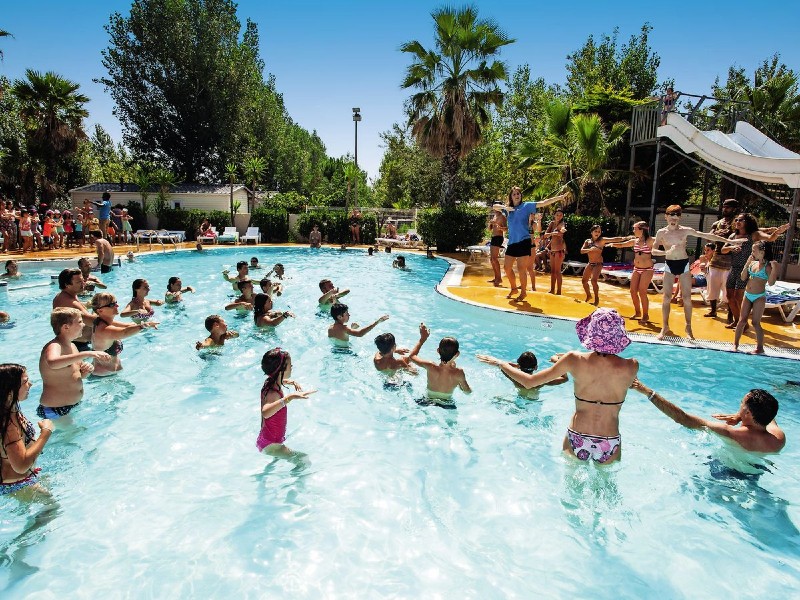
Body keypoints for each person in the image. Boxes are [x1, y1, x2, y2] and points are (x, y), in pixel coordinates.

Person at [478, 308, 638, 464]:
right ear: (618, 334)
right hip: (609, 439)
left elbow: (529, 381)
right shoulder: (631, 366)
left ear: (592, 332)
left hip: (578, 436)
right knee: (607, 487)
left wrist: (501, 364)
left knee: (572, 487)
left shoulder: (573, 359)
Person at [652, 205, 740, 340]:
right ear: (666, 217)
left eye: (676, 217)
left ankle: (688, 327)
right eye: (671, 217)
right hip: (669, 264)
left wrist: (729, 240)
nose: (673, 219)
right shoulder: (661, 233)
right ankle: (665, 327)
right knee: (666, 298)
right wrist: (665, 252)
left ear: (679, 218)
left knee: (687, 298)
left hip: (684, 264)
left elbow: (706, 235)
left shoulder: (685, 230)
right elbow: (653, 251)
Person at [630, 381, 785, 453]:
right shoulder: (778, 437)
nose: (739, 405)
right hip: (756, 473)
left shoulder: (731, 433)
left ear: (748, 413)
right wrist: (740, 416)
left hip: (725, 474)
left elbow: (682, 418)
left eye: (741, 403)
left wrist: (648, 392)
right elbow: (769, 414)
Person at [37, 308, 111, 419]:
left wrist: (87, 370)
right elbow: (52, 363)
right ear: (66, 327)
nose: (83, 325)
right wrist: (87, 353)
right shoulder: (54, 346)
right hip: (55, 409)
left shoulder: (72, 346)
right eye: (80, 322)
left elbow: (78, 375)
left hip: (71, 405)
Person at [722, 213, 790, 330]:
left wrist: (777, 232)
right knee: (729, 296)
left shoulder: (754, 234)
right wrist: (732, 247)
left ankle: (743, 323)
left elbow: (770, 238)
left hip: (746, 269)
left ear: (747, 222)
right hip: (733, 269)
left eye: (741, 220)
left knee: (739, 297)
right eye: (736, 219)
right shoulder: (733, 236)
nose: (737, 221)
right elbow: (723, 250)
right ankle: (737, 320)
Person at [1, 364, 53, 496]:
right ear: (10, 390)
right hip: (16, 484)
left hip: (22, 479)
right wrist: (45, 433)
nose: (30, 384)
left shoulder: (11, 409)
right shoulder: (8, 425)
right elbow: (21, 466)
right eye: (25, 382)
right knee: (52, 508)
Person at [256, 348, 316, 457]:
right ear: (281, 370)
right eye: (290, 365)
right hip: (272, 445)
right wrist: (289, 397)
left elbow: (277, 378)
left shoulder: (269, 382)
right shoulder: (273, 394)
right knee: (303, 459)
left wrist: (290, 382)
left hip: (266, 439)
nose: (292, 367)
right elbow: (265, 412)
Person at [91, 292, 158, 375]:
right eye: (112, 305)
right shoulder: (104, 330)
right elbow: (124, 332)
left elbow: (127, 325)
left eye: (116, 303)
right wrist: (144, 325)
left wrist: (144, 323)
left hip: (107, 373)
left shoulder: (102, 321)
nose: (117, 306)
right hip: (104, 377)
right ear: (100, 310)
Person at [407, 323, 471, 408]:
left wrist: (422, 339)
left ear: (438, 351)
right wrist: (459, 384)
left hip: (427, 401)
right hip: (447, 404)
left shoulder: (430, 366)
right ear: (457, 354)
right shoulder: (458, 373)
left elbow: (411, 357)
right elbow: (467, 392)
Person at [733, 241, 778, 354]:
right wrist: (747, 264)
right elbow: (743, 278)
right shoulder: (752, 264)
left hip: (759, 297)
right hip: (748, 295)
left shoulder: (767, 267)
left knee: (755, 323)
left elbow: (771, 283)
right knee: (741, 321)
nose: (752, 252)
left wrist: (775, 269)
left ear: (762, 252)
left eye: (754, 251)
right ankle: (735, 345)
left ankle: (759, 348)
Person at [607, 221, 656, 322]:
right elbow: (622, 245)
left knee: (642, 291)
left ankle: (645, 315)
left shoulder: (651, 240)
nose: (633, 230)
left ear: (641, 229)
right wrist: (612, 244)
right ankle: (638, 312)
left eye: (635, 228)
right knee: (633, 291)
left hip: (647, 269)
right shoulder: (635, 241)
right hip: (637, 269)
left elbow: (664, 240)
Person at [480, 350, 568, 400]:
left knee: (495, 399)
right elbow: (564, 378)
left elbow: (504, 366)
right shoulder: (541, 381)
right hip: (534, 404)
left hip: (519, 403)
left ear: (519, 366)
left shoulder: (514, 378)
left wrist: (515, 366)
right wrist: (558, 362)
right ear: (536, 367)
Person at [704, 199, 740, 318]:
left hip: (731, 260)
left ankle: (731, 314)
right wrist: (716, 234)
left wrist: (726, 233)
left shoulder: (737, 223)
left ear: (734, 209)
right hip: (716, 259)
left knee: (728, 289)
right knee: (712, 286)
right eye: (724, 207)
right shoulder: (717, 223)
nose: (725, 209)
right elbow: (709, 238)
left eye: (728, 207)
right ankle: (713, 310)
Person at [579, 225, 629, 305]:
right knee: (584, 281)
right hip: (590, 263)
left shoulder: (602, 240)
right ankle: (589, 295)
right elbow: (582, 251)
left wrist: (625, 238)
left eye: (599, 231)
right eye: (596, 231)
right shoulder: (587, 241)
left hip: (598, 263)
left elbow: (614, 239)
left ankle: (596, 299)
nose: (597, 233)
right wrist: (589, 249)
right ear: (591, 232)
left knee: (593, 280)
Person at [53, 268, 96, 351]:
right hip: (77, 346)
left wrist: (89, 305)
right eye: (78, 282)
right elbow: (93, 322)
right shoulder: (69, 302)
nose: (83, 284)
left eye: (83, 280)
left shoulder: (66, 295)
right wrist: (99, 309)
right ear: (67, 285)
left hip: (76, 343)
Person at [543, 208, 568, 294]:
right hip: (552, 251)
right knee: (552, 271)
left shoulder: (562, 224)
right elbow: (545, 235)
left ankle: (559, 291)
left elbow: (562, 229)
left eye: (560, 215)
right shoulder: (552, 224)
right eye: (557, 215)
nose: (559, 216)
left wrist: (562, 230)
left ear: (562, 216)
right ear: (554, 215)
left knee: (557, 272)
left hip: (559, 251)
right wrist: (552, 233)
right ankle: (552, 289)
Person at [487, 207, 507, 286]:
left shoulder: (503, 217)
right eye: (494, 208)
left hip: (498, 237)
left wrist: (499, 226)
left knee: (494, 259)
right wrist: (490, 224)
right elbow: (490, 229)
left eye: (497, 207)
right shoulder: (494, 216)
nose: (495, 209)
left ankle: (499, 278)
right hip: (494, 237)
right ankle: (496, 277)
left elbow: (506, 229)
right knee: (491, 259)